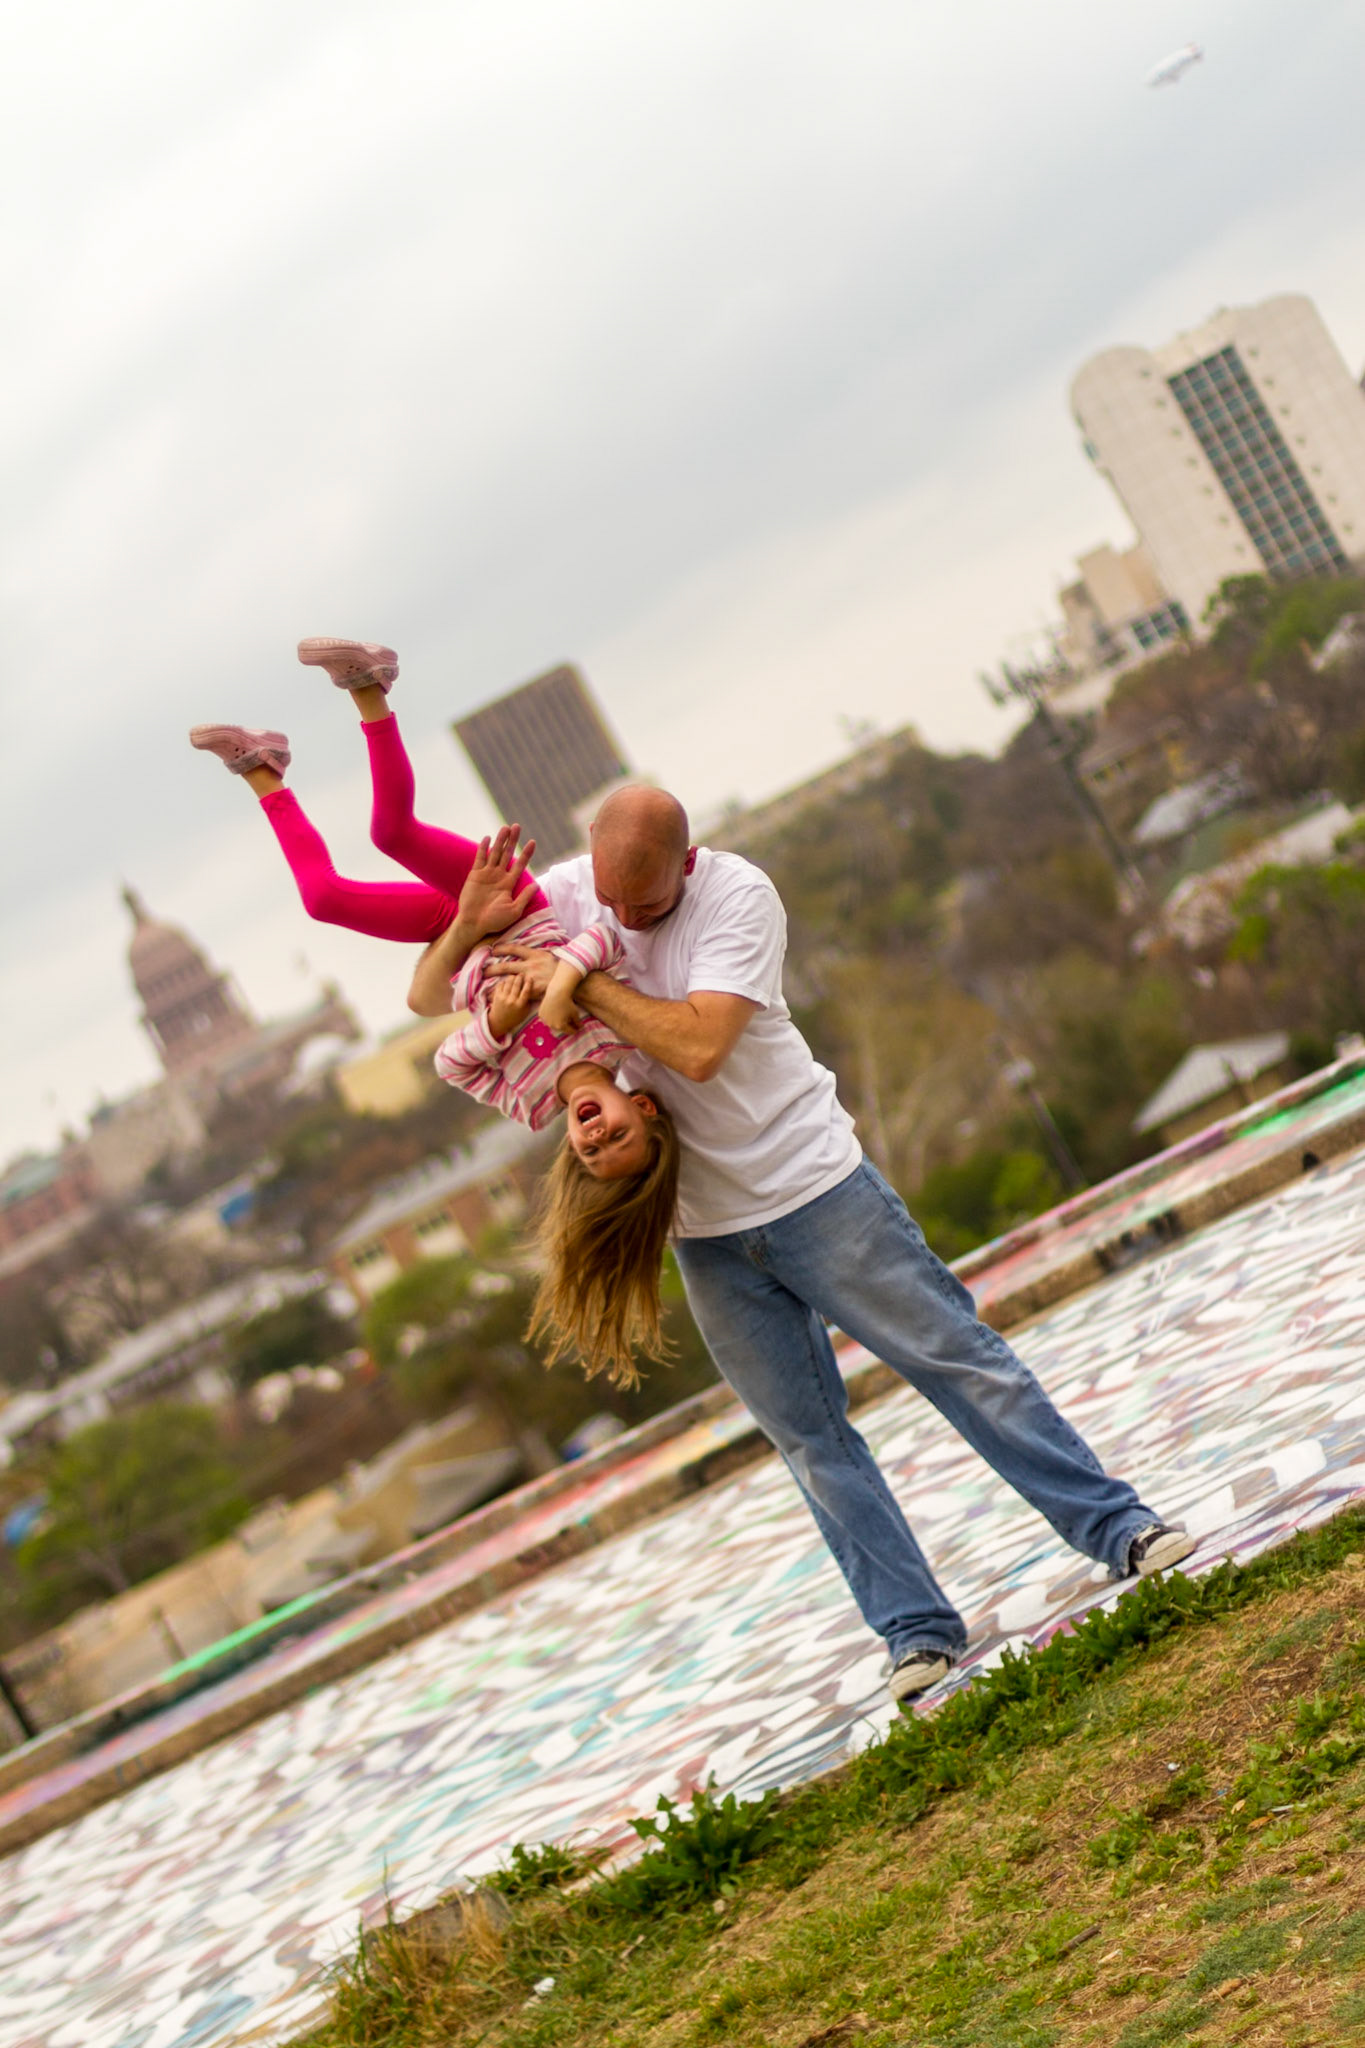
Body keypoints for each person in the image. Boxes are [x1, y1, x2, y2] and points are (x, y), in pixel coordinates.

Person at [424, 757, 1196, 1703]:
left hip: (815, 1191)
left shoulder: (737, 897)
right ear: (590, 859)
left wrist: (576, 986)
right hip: (707, 1236)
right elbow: (429, 999)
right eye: (608, 901)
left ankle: (1118, 1529)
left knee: (958, 1363)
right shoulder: (573, 892)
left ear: (686, 863)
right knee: (809, 1443)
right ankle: (914, 1632)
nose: (617, 919)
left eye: (642, 905)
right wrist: (465, 928)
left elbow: (698, 1047)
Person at [188, 639, 678, 1382]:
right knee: (393, 833)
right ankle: (369, 685)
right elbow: (607, 941)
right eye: (617, 1136)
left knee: (323, 899)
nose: (594, 1135)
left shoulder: (529, 1105)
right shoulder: (621, 1038)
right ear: (639, 1107)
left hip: (460, 935)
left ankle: (262, 768)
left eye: (590, 1152)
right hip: (515, 906)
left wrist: (499, 1025)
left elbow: (452, 1062)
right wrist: (560, 984)